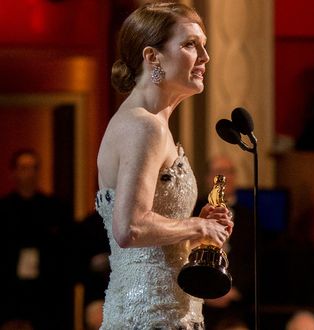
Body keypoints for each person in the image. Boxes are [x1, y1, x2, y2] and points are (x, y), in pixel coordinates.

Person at [95, 2, 234, 329]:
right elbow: (130, 228)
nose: (205, 56)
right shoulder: (144, 126)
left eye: (204, 45)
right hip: (149, 315)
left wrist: (193, 227)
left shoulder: (146, 124)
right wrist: (199, 228)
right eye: (190, 44)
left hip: (157, 309)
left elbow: (148, 237)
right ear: (152, 57)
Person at [0, 149, 74, 330]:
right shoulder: (3, 209)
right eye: (24, 168)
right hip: (10, 286)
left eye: (33, 168)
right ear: (14, 172)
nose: (29, 173)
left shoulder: (54, 208)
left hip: (45, 287)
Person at [194, 155, 254, 330]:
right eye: (218, 174)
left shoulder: (250, 217)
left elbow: (254, 260)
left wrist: (236, 291)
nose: (223, 179)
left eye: (228, 173)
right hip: (200, 299)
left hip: (238, 302)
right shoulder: (194, 212)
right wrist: (204, 294)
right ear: (207, 178)